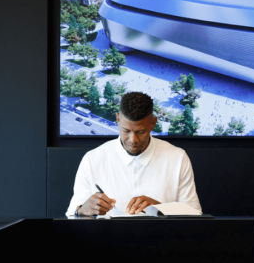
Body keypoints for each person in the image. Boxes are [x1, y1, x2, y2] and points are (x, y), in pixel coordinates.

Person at [66, 92, 201, 216]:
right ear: (118, 119)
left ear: (153, 123)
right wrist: (83, 209)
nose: (133, 140)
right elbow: (72, 215)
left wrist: (162, 209)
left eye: (141, 132)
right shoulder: (92, 159)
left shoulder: (177, 157)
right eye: (126, 131)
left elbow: (195, 214)